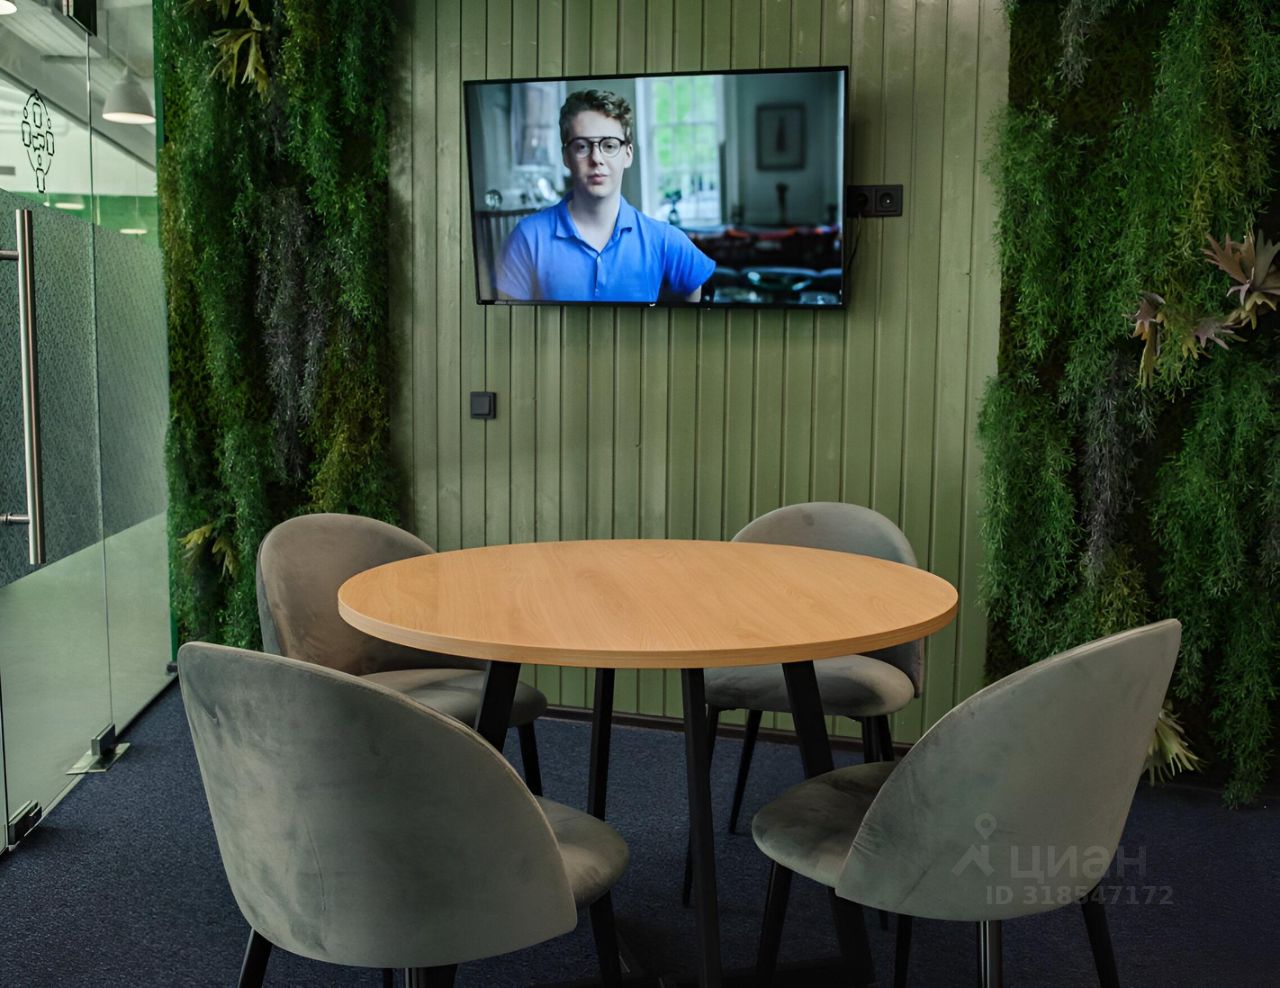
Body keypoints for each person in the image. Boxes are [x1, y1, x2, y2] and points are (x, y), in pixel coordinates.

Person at [496, 89, 715, 303]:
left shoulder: (662, 239)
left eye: (609, 145)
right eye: (582, 146)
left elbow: (698, 295)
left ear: (627, 154)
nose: (596, 158)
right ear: (566, 157)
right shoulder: (527, 238)